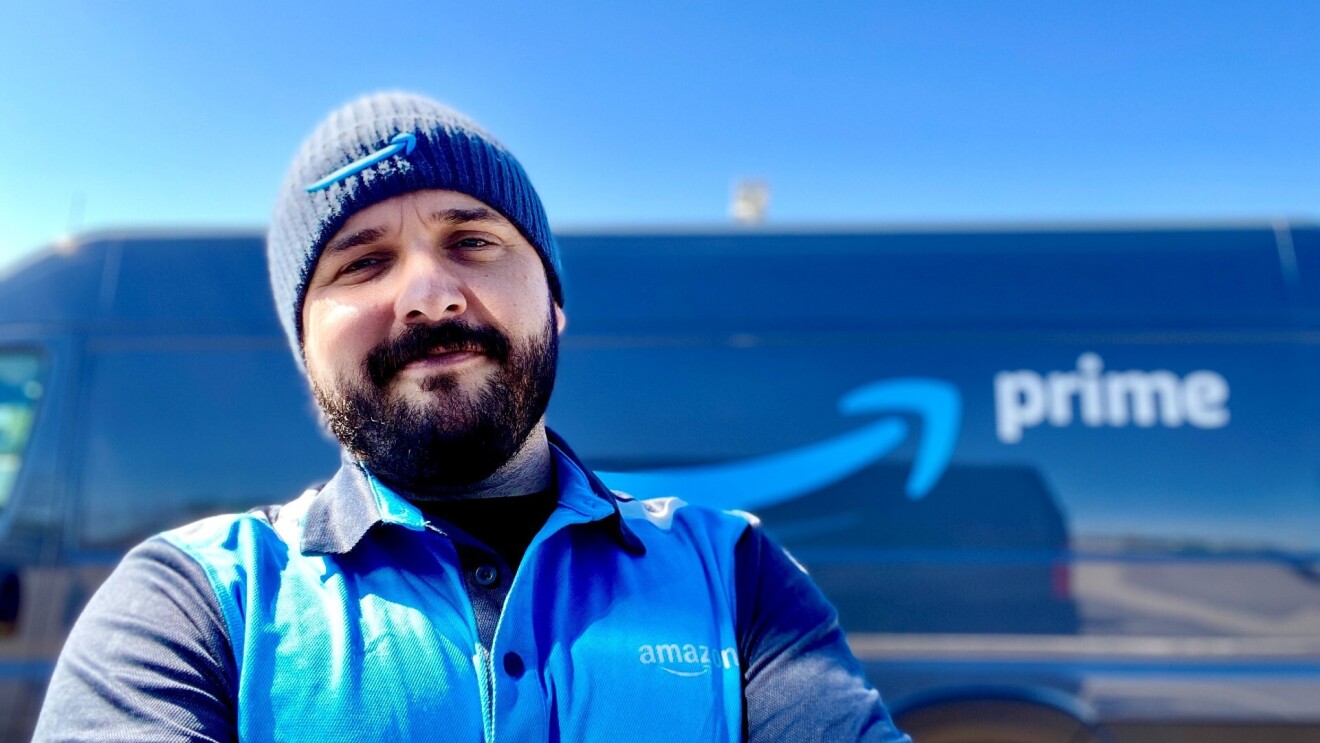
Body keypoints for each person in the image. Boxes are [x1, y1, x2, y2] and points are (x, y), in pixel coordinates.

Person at [34, 92, 911, 742]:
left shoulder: (737, 574)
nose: (427, 293)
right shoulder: (190, 602)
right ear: (306, 349)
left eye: (472, 241)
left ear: (555, 305)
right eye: (361, 261)